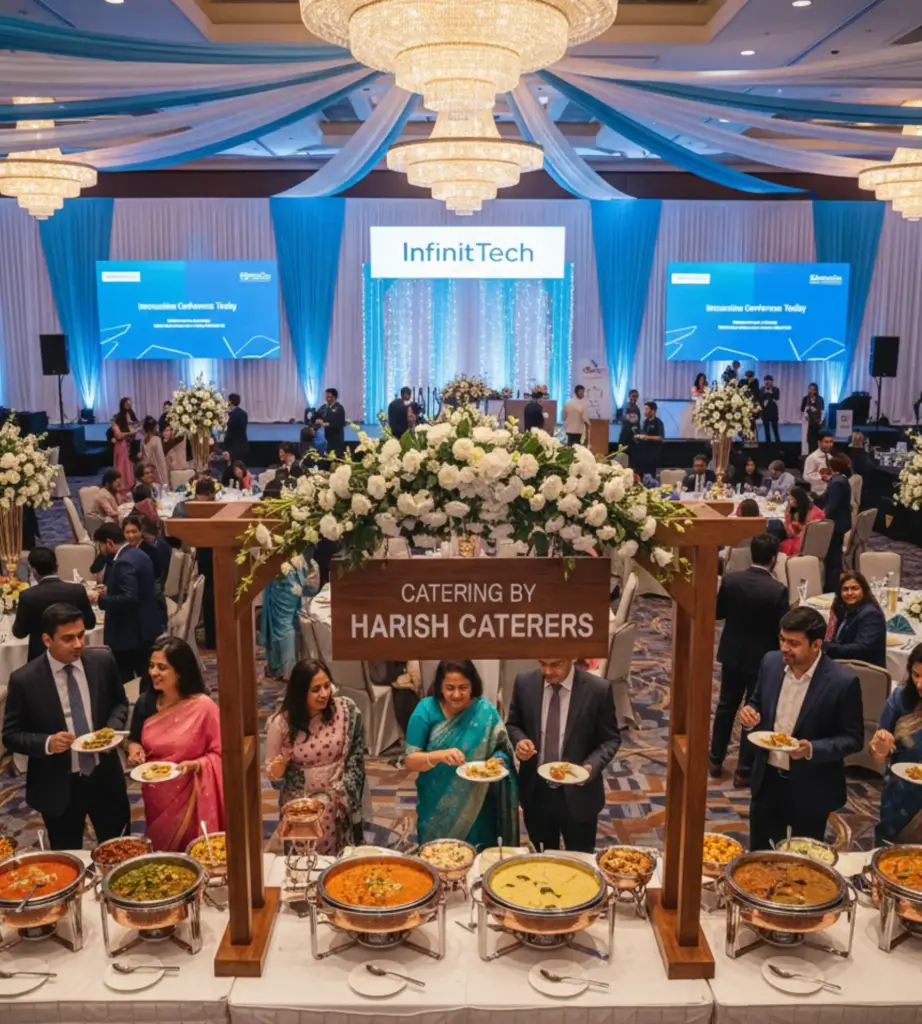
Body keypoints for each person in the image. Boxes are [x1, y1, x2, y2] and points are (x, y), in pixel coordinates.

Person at [1, 603, 130, 849]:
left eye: (81, 635)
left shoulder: (102, 662)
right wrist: (47, 742)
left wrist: (110, 729)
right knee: (68, 856)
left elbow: (119, 703)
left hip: (104, 776)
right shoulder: (25, 680)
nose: (78, 644)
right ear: (47, 640)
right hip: (59, 785)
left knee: (120, 848)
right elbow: (11, 735)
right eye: (68, 638)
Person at [739, 606, 864, 851]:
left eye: (793, 643)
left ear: (816, 644)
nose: (784, 648)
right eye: (782, 639)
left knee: (801, 861)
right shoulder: (770, 662)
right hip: (767, 781)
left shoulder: (842, 682)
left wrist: (812, 749)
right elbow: (757, 702)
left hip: (810, 788)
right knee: (759, 855)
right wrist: (750, 715)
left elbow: (853, 738)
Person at [506, 658, 620, 852]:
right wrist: (521, 742)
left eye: (556, 664)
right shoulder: (524, 683)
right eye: (542, 663)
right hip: (537, 792)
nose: (547, 671)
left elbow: (610, 739)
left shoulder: (597, 690)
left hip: (579, 796)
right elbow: (513, 724)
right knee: (543, 858)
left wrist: (590, 767)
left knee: (580, 859)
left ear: (572, 657)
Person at [406, 660, 519, 847]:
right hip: (436, 801)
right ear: (440, 686)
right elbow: (410, 760)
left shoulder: (485, 711)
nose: (457, 694)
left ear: (473, 685)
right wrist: (439, 756)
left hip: (478, 801)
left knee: (479, 851)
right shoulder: (425, 710)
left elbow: (502, 748)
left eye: (463, 687)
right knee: (438, 853)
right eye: (450, 688)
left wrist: (498, 760)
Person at [127, 636, 223, 851]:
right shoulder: (146, 703)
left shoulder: (203, 707)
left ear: (180, 671)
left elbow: (221, 753)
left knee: (193, 851)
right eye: (151, 666)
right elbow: (134, 739)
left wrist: (197, 765)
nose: (153, 672)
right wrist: (134, 748)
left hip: (192, 794)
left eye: (162, 667)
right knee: (162, 849)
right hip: (156, 792)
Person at [710, 534, 789, 787]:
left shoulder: (731, 580)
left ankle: (715, 759)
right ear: (774, 559)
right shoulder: (778, 590)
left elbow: (718, 613)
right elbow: (782, 630)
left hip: (732, 653)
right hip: (762, 659)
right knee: (752, 712)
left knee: (726, 706)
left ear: (750, 554)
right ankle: (744, 770)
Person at [265, 660, 365, 855]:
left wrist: (341, 793)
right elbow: (275, 779)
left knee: (340, 863)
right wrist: (278, 770)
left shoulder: (345, 711)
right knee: (305, 864)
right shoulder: (282, 724)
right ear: (300, 692)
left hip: (338, 804)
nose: (324, 694)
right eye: (316, 689)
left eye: (327, 686)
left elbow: (356, 758)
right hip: (302, 810)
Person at [92, 522, 163, 683]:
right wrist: (111, 590)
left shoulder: (123, 562)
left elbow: (129, 597)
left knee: (125, 680)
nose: (101, 550)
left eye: (100, 546)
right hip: (145, 627)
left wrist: (101, 600)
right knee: (147, 678)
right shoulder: (138, 553)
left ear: (109, 542)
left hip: (129, 634)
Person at [870, 644, 922, 843]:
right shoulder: (901, 699)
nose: (919, 684)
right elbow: (878, 754)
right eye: (916, 675)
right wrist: (880, 748)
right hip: (900, 795)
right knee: (891, 854)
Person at [12, 547, 95, 662]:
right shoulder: (77, 590)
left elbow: (19, 633)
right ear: (57, 566)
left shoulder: (28, 596)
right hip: (73, 653)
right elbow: (90, 623)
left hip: (41, 659)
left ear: (34, 571)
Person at [824, 570, 887, 668]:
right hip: (843, 664)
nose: (849, 593)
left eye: (854, 588)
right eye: (845, 589)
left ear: (863, 590)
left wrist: (827, 647)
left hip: (863, 670)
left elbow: (861, 648)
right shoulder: (844, 609)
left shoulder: (871, 614)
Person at [819, 453, 852, 590]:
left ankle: (832, 585)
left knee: (833, 556)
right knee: (834, 554)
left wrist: (821, 518)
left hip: (835, 524)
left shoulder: (837, 483)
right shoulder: (840, 480)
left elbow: (832, 506)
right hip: (840, 522)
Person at [123, 514, 171, 592]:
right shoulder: (126, 549)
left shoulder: (148, 551)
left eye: (134, 531)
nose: (131, 536)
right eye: (127, 532)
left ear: (140, 532)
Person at [779, 486, 824, 557]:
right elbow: (788, 523)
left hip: (808, 540)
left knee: (787, 547)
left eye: (792, 499)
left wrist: (797, 525)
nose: (790, 502)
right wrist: (790, 528)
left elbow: (812, 532)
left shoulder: (815, 513)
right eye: (789, 499)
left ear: (799, 500)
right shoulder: (792, 508)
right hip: (795, 536)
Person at [111, 397, 139, 498]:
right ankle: (122, 491)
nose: (128, 405)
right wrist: (130, 433)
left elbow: (137, 426)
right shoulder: (117, 418)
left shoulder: (132, 415)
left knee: (132, 467)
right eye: (127, 403)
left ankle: (132, 489)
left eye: (130, 403)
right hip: (122, 446)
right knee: (123, 469)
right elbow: (118, 435)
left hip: (132, 445)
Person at [634, 402, 665, 481]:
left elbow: (660, 437)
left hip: (652, 456)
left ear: (653, 411)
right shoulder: (645, 422)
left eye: (647, 409)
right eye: (644, 409)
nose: (645, 411)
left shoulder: (658, 422)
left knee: (650, 477)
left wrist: (647, 437)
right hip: (643, 455)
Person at [315, 388, 346, 458]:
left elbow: (340, 422)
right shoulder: (324, 407)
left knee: (336, 457)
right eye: (326, 396)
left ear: (334, 398)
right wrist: (317, 420)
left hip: (337, 437)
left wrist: (328, 424)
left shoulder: (339, 408)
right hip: (327, 436)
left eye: (329, 397)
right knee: (327, 455)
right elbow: (316, 415)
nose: (327, 398)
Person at [804, 429, 835, 497]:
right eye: (826, 442)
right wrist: (821, 477)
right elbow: (806, 476)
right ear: (819, 443)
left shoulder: (830, 457)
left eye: (831, 441)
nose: (829, 444)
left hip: (831, 492)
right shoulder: (812, 458)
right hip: (818, 494)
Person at [140, 417, 169, 487]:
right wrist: (165, 477)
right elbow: (161, 459)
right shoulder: (156, 439)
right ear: (153, 428)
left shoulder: (143, 440)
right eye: (156, 427)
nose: (157, 429)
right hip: (157, 470)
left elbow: (142, 456)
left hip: (147, 470)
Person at [224, 392, 249, 464]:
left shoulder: (232, 414)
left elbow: (230, 431)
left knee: (233, 467)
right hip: (243, 444)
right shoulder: (244, 413)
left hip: (233, 446)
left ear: (230, 401)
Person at [801, 383, 825, 457]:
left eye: (813, 389)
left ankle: (819, 455)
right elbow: (802, 409)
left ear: (816, 390)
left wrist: (815, 410)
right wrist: (807, 408)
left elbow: (822, 410)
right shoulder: (805, 399)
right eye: (810, 389)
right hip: (809, 422)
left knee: (818, 439)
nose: (811, 391)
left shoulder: (820, 399)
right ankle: (810, 455)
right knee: (809, 440)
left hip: (817, 423)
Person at [759, 375, 781, 444]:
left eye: (769, 381)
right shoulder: (761, 389)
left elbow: (777, 397)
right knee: (766, 428)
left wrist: (770, 392)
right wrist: (765, 393)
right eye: (766, 381)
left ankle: (778, 443)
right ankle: (768, 443)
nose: (767, 382)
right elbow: (760, 398)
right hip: (764, 411)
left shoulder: (775, 389)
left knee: (775, 428)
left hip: (773, 411)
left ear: (772, 382)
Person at [619, 389, 641, 454]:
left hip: (634, 436)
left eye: (636, 396)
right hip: (625, 435)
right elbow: (621, 418)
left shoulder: (637, 409)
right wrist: (629, 418)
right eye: (633, 396)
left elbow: (637, 422)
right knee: (622, 455)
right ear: (629, 396)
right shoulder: (624, 407)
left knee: (633, 455)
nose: (635, 398)